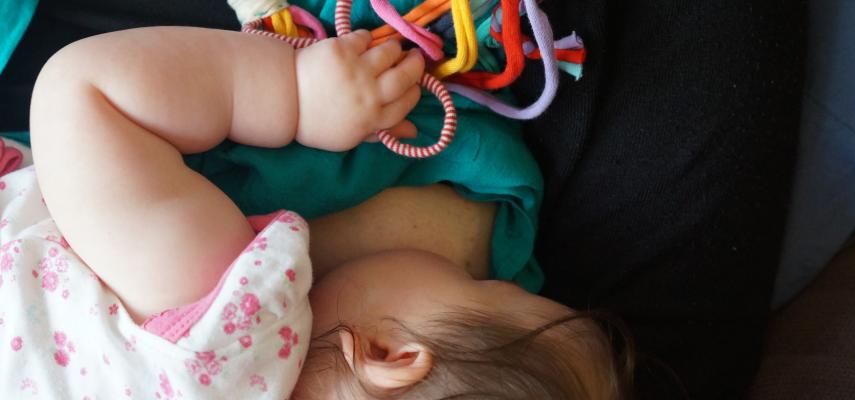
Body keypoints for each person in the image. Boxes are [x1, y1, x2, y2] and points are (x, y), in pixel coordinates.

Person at [0, 26, 630, 398]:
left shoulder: (222, 328)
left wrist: (293, 93)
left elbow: (81, 93)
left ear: (388, 353)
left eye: (488, 284)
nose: (502, 263)